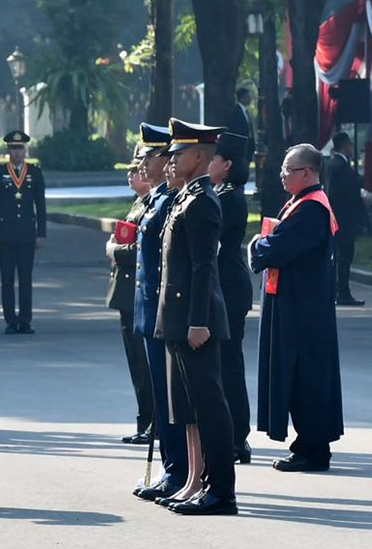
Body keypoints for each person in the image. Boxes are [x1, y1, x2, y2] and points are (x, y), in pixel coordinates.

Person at [155, 119, 236, 516]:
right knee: (189, 407)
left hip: (195, 320)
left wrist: (198, 320)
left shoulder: (203, 200)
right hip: (179, 317)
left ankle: (221, 491)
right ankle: (200, 482)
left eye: (179, 153)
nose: (172, 159)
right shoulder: (185, 197)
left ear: (200, 156)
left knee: (210, 406)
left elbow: (205, 267)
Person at [250, 144, 343, 472]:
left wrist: (258, 245)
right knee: (299, 376)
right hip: (297, 303)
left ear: (308, 173)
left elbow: (276, 248)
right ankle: (307, 444)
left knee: (307, 378)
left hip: (305, 310)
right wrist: (264, 244)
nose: (282, 175)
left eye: (289, 170)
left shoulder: (313, 208)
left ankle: (314, 450)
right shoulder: (300, 203)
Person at [131, 124, 188, 503]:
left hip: (161, 311)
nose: (142, 163)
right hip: (146, 309)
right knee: (159, 394)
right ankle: (171, 466)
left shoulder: (170, 201)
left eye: (147, 156)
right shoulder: (155, 199)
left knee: (170, 399)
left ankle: (176, 470)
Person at [208, 132, 254, 464]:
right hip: (224, 285)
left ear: (227, 165)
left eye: (212, 158)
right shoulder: (221, 193)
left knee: (229, 364)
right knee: (224, 363)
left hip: (230, 288)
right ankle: (233, 435)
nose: (208, 162)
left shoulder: (229, 197)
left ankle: (238, 437)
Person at [105, 147, 154, 445]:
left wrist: (113, 250)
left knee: (144, 362)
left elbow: (139, 250)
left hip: (137, 289)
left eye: (137, 169)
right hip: (126, 291)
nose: (131, 174)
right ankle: (145, 420)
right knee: (136, 362)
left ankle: (152, 423)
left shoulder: (150, 204)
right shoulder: (139, 203)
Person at [0, 130, 46, 334]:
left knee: (26, 278)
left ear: (25, 150)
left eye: (20, 148)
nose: (17, 152)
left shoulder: (35, 172)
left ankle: (25, 320)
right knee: (7, 279)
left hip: (27, 234)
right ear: (8, 149)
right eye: (13, 147)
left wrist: (41, 233)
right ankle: (10, 320)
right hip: (5, 234)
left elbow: (41, 205)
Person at [327, 132, 366, 306]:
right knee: (344, 257)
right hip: (344, 217)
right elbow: (349, 193)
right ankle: (343, 292)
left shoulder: (329, 164)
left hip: (333, 217)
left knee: (335, 257)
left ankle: (334, 290)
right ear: (345, 145)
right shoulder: (341, 167)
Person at [227, 87, 256, 159]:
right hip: (241, 147)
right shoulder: (236, 112)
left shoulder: (246, 112)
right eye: (248, 96)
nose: (250, 99)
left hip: (248, 146)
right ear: (243, 98)